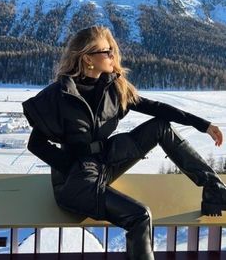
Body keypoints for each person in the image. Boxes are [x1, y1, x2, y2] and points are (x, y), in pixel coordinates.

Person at [22, 25, 224, 260]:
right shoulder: (58, 95)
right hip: (76, 182)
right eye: (106, 52)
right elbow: (35, 144)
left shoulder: (113, 87)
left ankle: (214, 190)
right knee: (140, 216)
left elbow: (155, 108)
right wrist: (73, 166)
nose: (112, 56)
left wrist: (203, 124)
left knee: (160, 126)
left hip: (105, 161)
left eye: (112, 51)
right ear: (88, 58)